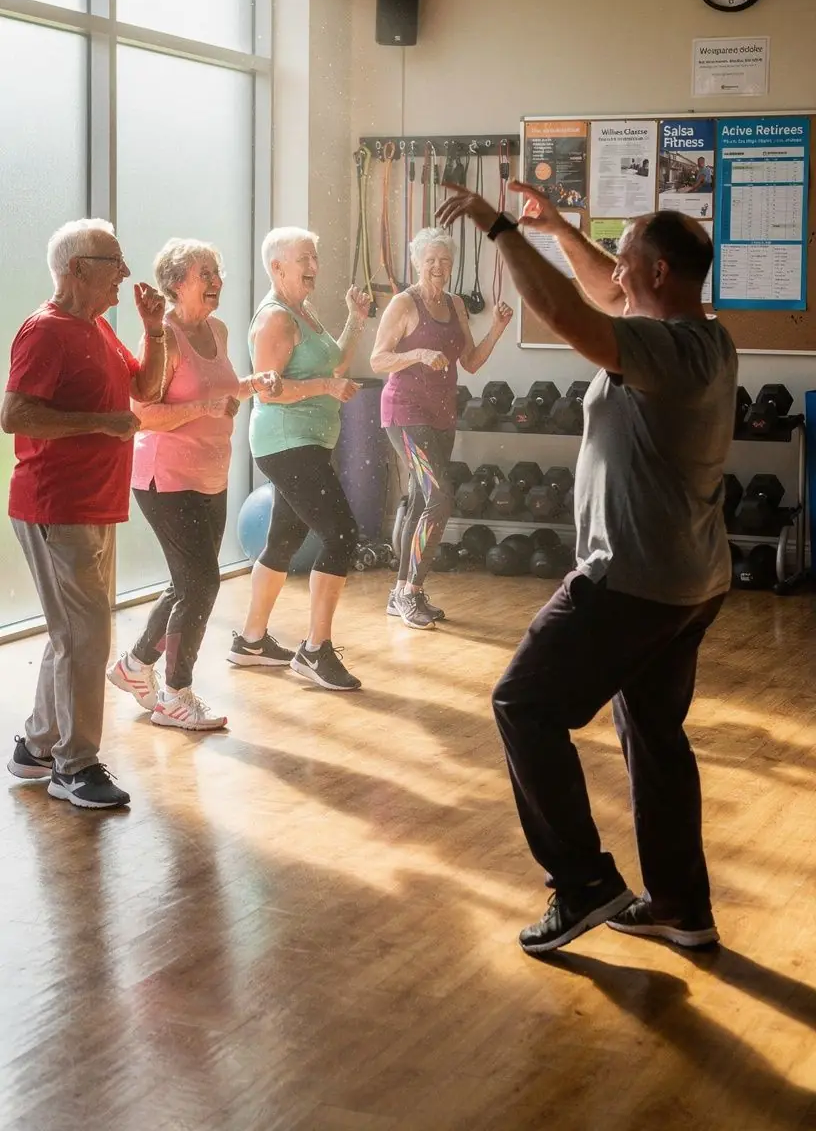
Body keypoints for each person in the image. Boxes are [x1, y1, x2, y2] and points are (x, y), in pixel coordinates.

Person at [437, 182, 736, 957]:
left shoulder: (662, 351)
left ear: (660, 272)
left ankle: (582, 883)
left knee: (522, 705)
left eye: (628, 251)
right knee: (653, 734)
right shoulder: (701, 332)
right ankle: (679, 904)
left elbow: (574, 314)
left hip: (630, 577)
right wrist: (559, 228)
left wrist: (501, 230)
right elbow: (606, 284)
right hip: (688, 579)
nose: (617, 266)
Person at [2, 219, 166, 810]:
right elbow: (15, 414)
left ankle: (38, 746)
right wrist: (98, 423)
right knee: (87, 635)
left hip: (97, 502)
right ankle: (74, 767)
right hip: (55, 504)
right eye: (113, 262)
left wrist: (155, 331)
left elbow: (145, 387)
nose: (126, 272)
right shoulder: (44, 332)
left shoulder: (96, 326)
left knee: (72, 633)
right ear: (77, 267)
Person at [107, 239, 282, 731]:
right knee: (202, 582)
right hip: (166, 477)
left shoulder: (219, 330)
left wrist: (252, 384)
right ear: (175, 283)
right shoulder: (163, 336)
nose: (216, 283)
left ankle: (135, 665)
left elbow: (218, 395)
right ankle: (174, 694)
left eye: (217, 274)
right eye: (205, 275)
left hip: (211, 474)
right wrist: (205, 410)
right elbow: (144, 416)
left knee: (187, 582)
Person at [228, 227, 369, 691]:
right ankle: (314, 650)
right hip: (286, 442)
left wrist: (355, 318)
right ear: (277, 267)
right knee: (342, 533)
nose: (313, 266)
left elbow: (335, 365)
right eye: (304, 258)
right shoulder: (275, 320)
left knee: (285, 537)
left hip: (307, 441)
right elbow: (270, 393)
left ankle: (250, 641)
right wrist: (325, 389)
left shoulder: (302, 311)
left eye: (315, 256)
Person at [370, 227, 512, 629]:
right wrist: (417, 353)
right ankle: (410, 591)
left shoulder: (455, 305)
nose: (438, 266)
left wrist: (498, 329)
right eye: (430, 259)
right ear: (416, 262)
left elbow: (471, 362)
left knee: (420, 500)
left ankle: (400, 592)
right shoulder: (404, 303)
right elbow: (379, 359)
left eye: (445, 260)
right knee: (439, 497)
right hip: (404, 413)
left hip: (441, 414)